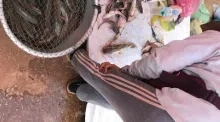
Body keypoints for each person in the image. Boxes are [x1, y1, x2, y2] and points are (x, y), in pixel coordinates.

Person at [67, 30, 220, 122]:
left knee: (105, 76)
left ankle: (72, 52)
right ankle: (82, 91)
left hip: (171, 112)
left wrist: (124, 72)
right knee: (125, 101)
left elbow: (161, 62)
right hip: (187, 110)